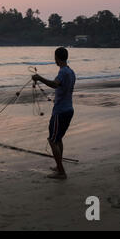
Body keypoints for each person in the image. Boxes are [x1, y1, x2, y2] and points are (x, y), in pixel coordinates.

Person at [32, 47, 76, 180]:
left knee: (52, 140)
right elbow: (62, 87)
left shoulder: (63, 72)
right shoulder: (71, 72)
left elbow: (55, 84)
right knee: (58, 139)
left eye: (55, 57)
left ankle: (61, 172)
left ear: (57, 58)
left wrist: (39, 78)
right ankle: (59, 166)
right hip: (68, 109)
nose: (54, 60)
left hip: (60, 111)